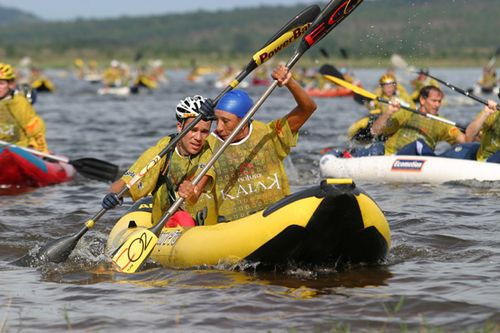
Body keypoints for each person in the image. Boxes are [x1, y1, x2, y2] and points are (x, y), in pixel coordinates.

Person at [205, 64, 317, 222]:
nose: (218, 128)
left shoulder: (269, 135)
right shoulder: (208, 145)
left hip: (275, 216)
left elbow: (308, 108)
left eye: (225, 121)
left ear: (243, 122)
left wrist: (289, 82)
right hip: (232, 225)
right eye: (216, 120)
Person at [102, 95, 218, 227]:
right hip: (165, 227)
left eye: (204, 131)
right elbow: (122, 184)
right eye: (193, 130)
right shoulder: (160, 153)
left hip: (202, 227)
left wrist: (191, 192)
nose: (198, 137)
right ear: (180, 127)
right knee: (182, 217)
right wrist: (113, 195)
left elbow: (196, 192)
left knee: (184, 217)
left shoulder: (209, 150)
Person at [370, 85, 466, 156]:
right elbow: (374, 131)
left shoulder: (443, 123)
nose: (437, 105)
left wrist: (477, 135)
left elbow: (464, 140)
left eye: (439, 101)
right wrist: (389, 112)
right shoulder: (406, 113)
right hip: (393, 156)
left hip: (420, 160)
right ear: (422, 100)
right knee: (418, 144)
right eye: (434, 101)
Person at [0, 62, 48, 153]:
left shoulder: (19, 103)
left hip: (18, 150)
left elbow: (35, 130)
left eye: (1, 84)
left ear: (11, 85)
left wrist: (42, 150)